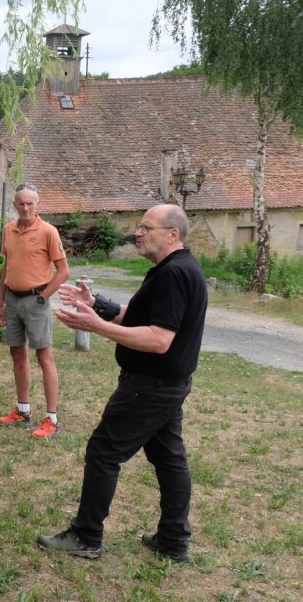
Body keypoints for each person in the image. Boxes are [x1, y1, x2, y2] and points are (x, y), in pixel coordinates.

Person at [37, 204, 208, 562]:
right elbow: (137, 318)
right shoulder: (169, 270)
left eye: (147, 227)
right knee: (169, 459)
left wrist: (95, 327)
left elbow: (160, 339)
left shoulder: (175, 273)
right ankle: (173, 541)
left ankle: (86, 536)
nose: (138, 233)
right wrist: (96, 303)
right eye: (139, 227)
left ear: (172, 234)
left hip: (150, 386)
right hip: (167, 384)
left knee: (103, 452)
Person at [0, 183, 70, 439]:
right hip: (13, 300)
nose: (25, 207)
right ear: (15, 205)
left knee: (44, 357)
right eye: (21, 203)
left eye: (30, 203)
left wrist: (44, 296)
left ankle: (51, 418)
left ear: (37, 205)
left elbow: (63, 271)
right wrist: (1, 302)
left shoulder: (48, 231)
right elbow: (7, 267)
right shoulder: (9, 230)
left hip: (36, 301)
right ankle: (23, 410)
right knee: (18, 354)